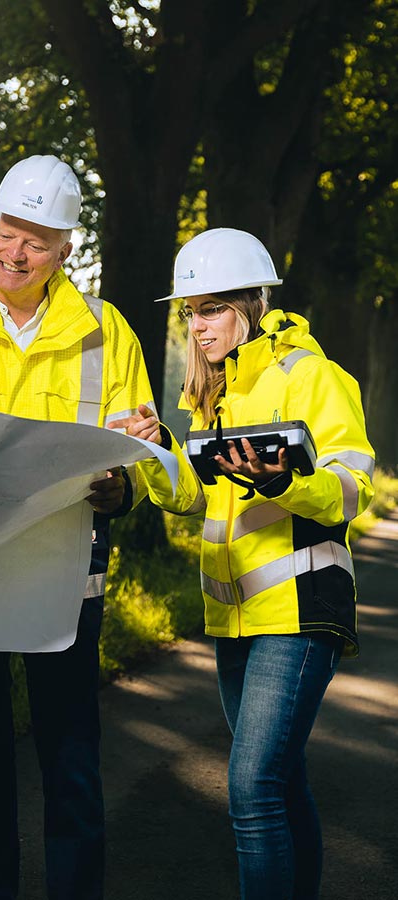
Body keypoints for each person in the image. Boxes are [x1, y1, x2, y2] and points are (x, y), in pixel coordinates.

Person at [0, 155, 202, 900]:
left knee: (71, 757)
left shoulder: (105, 331)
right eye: (4, 233)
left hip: (63, 578)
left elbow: (141, 461)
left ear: (65, 251)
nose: (13, 253)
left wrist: (121, 485)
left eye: (34, 242)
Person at [150, 227, 375, 899]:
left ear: (249, 305)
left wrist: (282, 483)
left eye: (212, 309)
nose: (199, 325)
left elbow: (350, 487)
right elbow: (193, 497)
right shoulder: (212, 394)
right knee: (282, 778)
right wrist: (156, 450)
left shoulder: (314, 375)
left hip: (302, 610)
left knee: (251, 789)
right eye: (190, 311)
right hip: (232, 618)